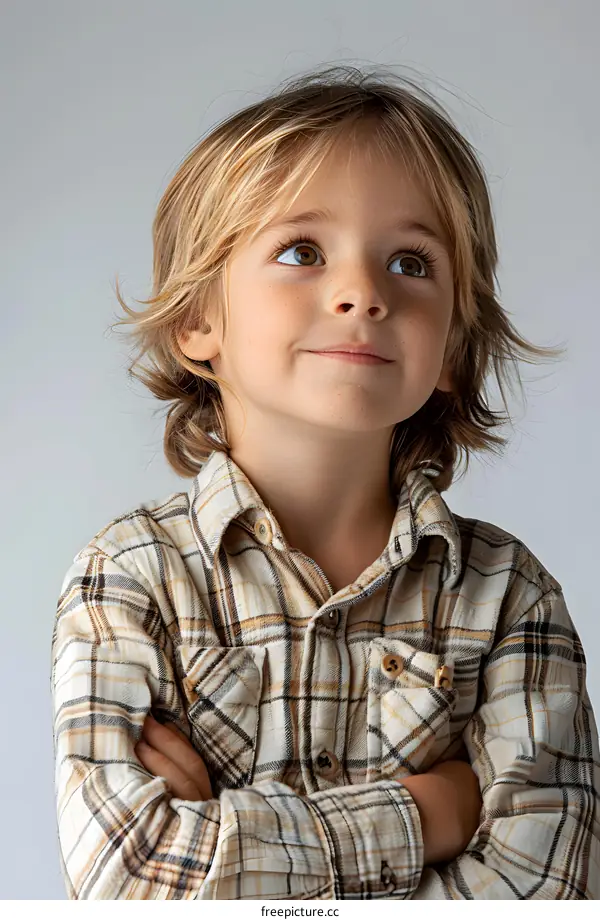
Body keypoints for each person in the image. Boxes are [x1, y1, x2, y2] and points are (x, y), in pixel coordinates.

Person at [50, 64, 600, 899]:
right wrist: (431, 814)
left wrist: (227, 842)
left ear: (453, 347)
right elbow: (130, 879)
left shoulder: (509, 597)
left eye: (410, 262)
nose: (362, 294)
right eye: (302, 252)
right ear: (198, 318)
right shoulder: (130, 577)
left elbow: (546, 891)